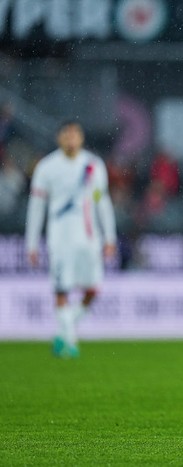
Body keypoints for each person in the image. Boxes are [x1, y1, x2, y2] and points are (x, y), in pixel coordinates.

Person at [25, 121, 117, 358]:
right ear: (59, 139)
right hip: (60, 239)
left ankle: (63, 330)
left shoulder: (93, 166)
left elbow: (102, 202)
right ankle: (70, 341)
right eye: (66, 135)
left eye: (75, 134)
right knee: (61, 289)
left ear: (82, 138)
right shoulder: (47, 167)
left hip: (88, 238)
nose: (71, 139)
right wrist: (32, 243)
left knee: (93, 290)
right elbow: (36, 207)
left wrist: (110, 237)